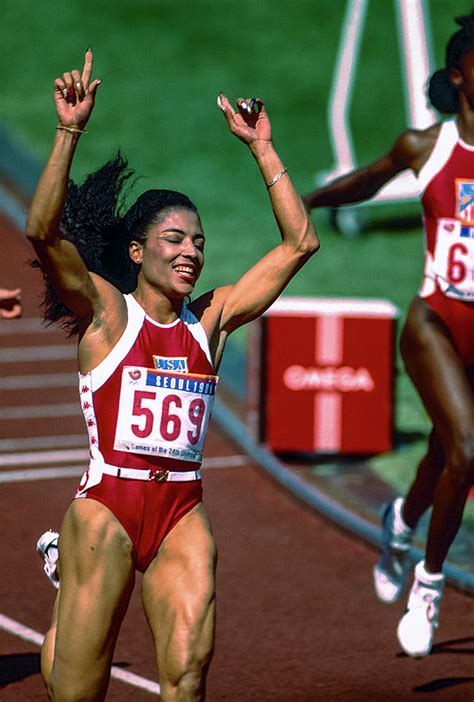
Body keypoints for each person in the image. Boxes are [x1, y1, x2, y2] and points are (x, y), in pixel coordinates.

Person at [26, 50, 319, 701]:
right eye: (175, 240)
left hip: (181, 508)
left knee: (186, 675)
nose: (191, 252)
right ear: (137, 252)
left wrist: (263, 149)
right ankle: (63, 603)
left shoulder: (211, 320)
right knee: (75, 690)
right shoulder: (107, 313)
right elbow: (43, 232)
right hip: (107, 509)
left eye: (199, 243)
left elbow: (300, 244)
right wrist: (68, 132)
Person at [302, 14, 474, 658]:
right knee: (468, 448)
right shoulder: (426, 147)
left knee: (447, 455)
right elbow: (365, 182)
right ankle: (429, 584)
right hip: (437, 321)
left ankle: (398, 523)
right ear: (459, 77)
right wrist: (300, 200)